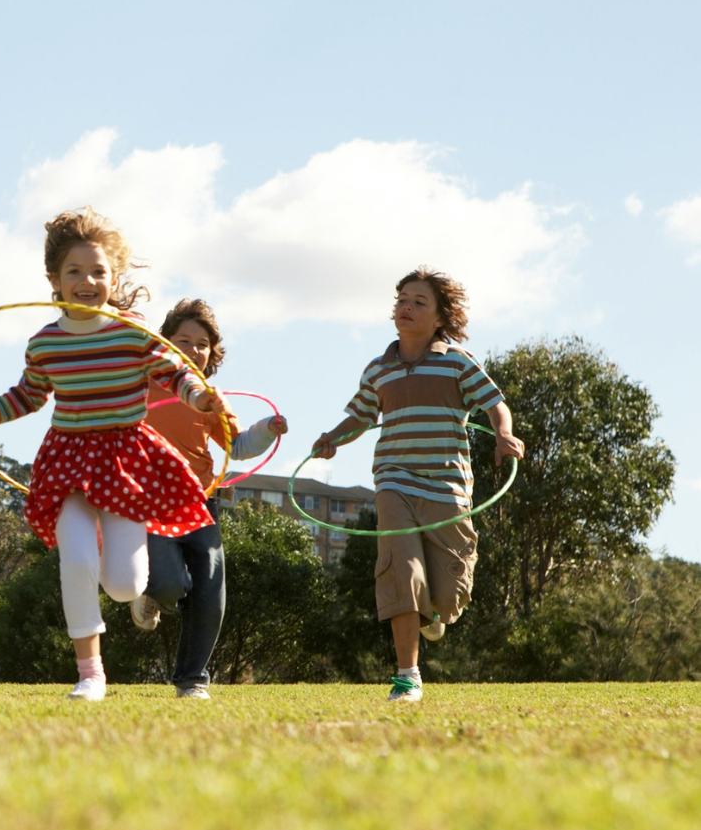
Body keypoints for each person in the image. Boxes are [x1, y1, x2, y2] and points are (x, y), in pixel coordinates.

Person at [0, 207, 227, 702]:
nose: (87, 280)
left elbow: (173, 375)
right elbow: (24, 397)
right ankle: (90, 673)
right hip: (68, 463)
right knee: (73, 559)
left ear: (113, 279)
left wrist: (200, 397)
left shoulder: (132, 331)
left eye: (98, 272)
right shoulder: (45, 344)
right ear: (54, 280)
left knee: (123, 584)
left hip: (126, 465)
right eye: (74, 271)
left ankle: (116, 571)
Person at [312, 267, 524, 703]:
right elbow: (361, 416)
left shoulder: (457, 361)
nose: (405, 307)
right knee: (400, 570)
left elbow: (495, 404)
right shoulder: (379, 369)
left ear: (440, 316)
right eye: (401, 300)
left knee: (448, 596)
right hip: (394, 482)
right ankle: (407, 677)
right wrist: (333, 437)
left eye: (418, 301)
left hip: (447, 488)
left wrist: (503, 433)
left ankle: (434, 611)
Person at [131, 297, 289, 699]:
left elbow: (237, 446)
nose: (193, 349)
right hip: (150, 501)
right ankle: (152, 596)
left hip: (200, 500)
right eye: (183, 340)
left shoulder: (211, 396)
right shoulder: (139, 384)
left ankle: (192, 681)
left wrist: (269, 428)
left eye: (202, 344)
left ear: (211, 353)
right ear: (163, 343)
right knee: (169, 584)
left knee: (210, 592)